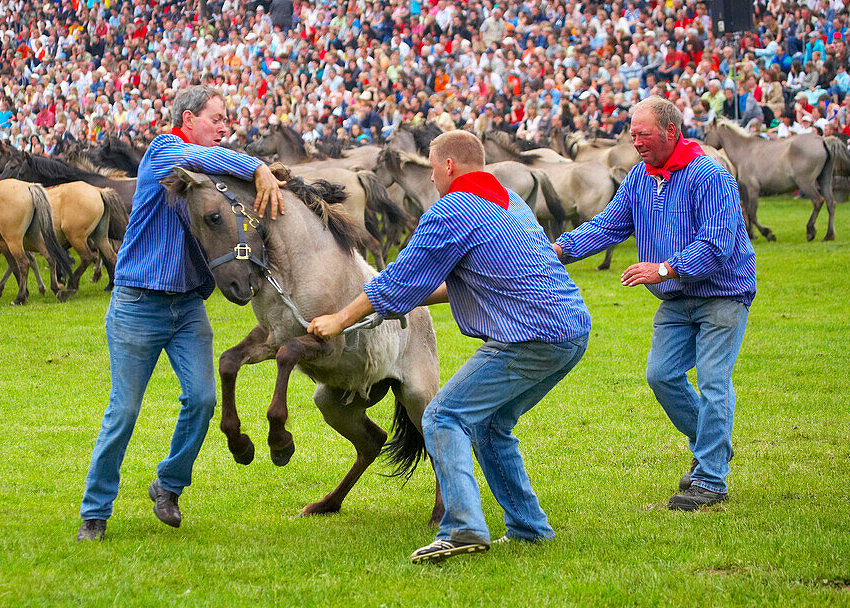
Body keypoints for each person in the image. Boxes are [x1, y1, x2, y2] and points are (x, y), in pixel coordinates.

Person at [307, 130, 591, 564]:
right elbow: (448, 282)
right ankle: (530, 529)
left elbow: (397, 280)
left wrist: (340, 318)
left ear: (449, 166)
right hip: (570, 331)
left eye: (433, 165)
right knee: (490, 427)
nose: (433, 175)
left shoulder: (452, 210)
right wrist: (396, 299)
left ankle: (462, 528)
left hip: (530, 337)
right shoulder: (510, 201)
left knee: (443, 415)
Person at [77, 85, 286, 541]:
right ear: (188, 120)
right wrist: (258, 166)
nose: (225, 126)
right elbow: (219, 160)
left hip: (188, 307)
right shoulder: (164, 150)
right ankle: (95, 511)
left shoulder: (209, 173)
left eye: (227, 119)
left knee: (204, 400)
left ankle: (168, 484)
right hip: (138, 306)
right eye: (216, 118)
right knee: (125, 410)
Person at [552, 96, 756, 511]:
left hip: (722, 293)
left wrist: (663, 269)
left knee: (714, 381)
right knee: (661, 376)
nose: (637, 143)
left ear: (670, 131)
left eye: (643, 135)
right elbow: (607, 227)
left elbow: (717, 246)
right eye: (633, 136)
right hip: (677, 300)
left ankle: (711, 480)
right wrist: (557, 250)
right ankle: (712, 450)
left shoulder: (708, 175)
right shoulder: (641, 177)